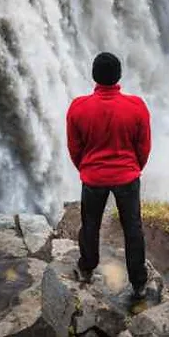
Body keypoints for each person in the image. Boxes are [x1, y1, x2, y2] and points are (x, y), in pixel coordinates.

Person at [66, 51, 152, 297]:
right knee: (133, 228)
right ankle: (138, 282)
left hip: (93, 177)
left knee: (90, 224)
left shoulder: (78, 107)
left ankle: (87, 267)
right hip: (127, 177)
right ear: (119, 76)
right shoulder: (136, 106)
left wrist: (85, 168)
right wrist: (134, 169)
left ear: (94, 75)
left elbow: (75, 147)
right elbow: (144, 146)